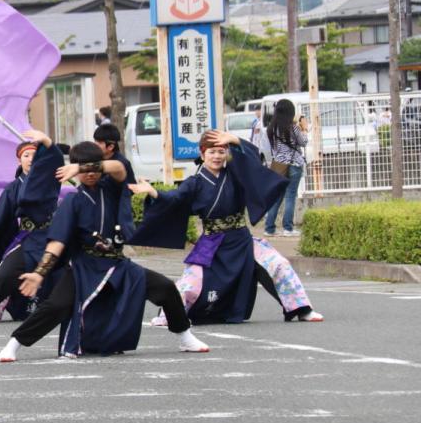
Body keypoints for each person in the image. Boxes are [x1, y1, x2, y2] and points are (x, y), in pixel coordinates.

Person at [0, 141, 210, 362]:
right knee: (56, 306)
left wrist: (81, 166)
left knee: (164, 287)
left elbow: (119, 168)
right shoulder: (72, 201)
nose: (89, 173)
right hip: (84, 266)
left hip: (116, 264)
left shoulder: (112, 189)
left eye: (93, 167)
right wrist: (40, 273)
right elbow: (57, 242)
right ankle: (14, 344)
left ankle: (185, 336)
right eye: (81, 168)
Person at [129, 130, 324, 326]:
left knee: (278, 264)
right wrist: (154, 192)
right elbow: (175, 199)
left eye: (221, 151)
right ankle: (169, 315)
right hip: (211, 242)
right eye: (212, 152)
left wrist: (235, 140)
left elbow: (253, 161)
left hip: (241, 238)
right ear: (202, 153)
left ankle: (301, 309)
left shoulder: (235, 174)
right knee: (191, 283)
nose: (216, 156)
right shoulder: (194, 182)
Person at [0, 131, 65, 324]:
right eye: (26, 156)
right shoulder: (13, 188)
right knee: (4, 274)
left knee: (64, 275)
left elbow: (55, 159)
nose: (31, 159)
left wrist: (48, 142)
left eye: (35, 155)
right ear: (19, 160)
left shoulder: (50, 177)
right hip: (28, 239)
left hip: (51, 237)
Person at [263, 99, 308, 237]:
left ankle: (269, 228)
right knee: (290, 196)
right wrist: (304, 128)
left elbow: (271, 148)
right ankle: (288, 228)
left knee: (277, 196)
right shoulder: (293, 127)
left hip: (278, 166)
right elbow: (303, 142)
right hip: (294, 165)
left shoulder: (271, 128)